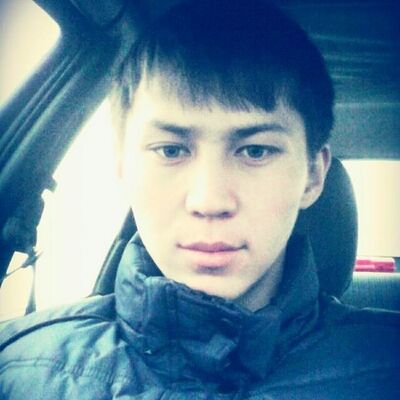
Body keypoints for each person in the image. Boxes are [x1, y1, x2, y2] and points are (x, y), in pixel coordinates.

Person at [0, 0, 399, 398]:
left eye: (255, 151)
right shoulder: (19, 371)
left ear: (313, 176)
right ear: (122, 165)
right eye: (171, 150)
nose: (209, 201)